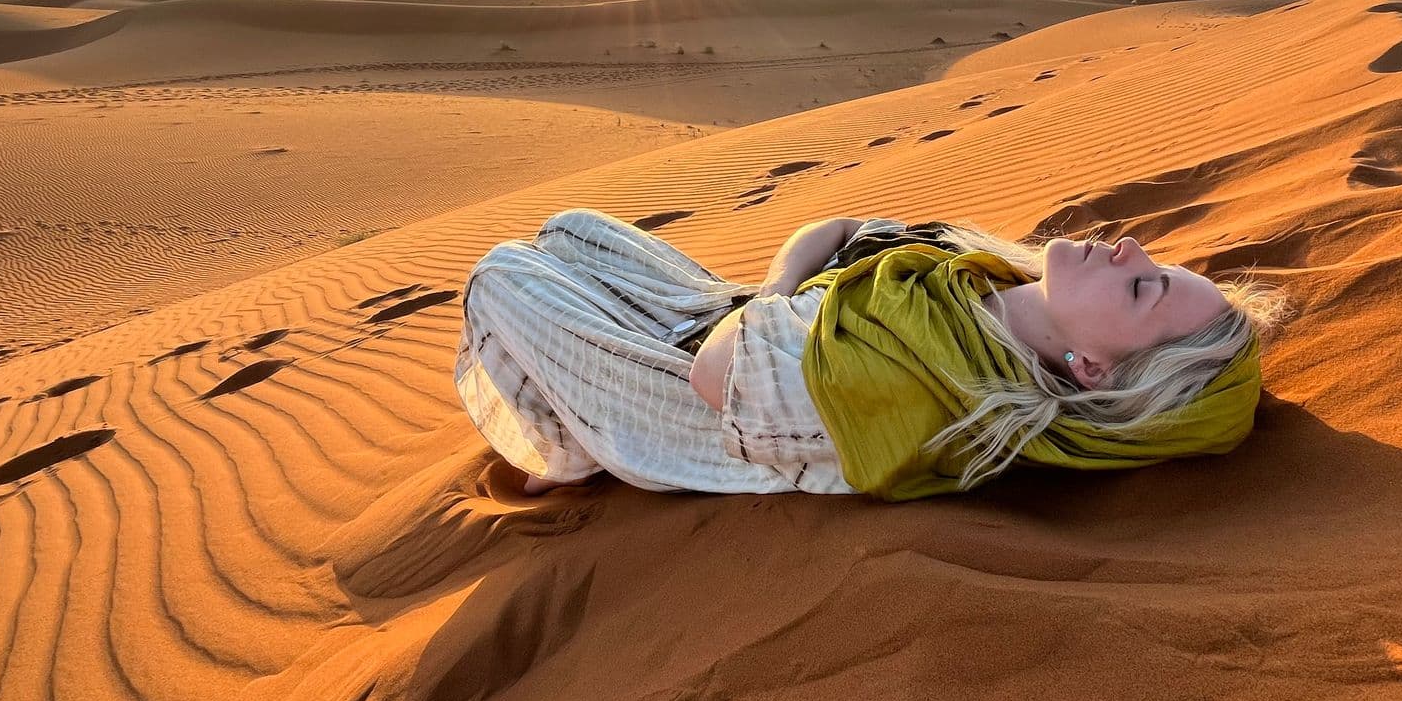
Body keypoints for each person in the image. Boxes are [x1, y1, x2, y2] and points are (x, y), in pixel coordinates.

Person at [453, 207, 1292, 503]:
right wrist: (778, 294)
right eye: (1158, 267)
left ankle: (576, 451)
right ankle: (566, 402)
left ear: (1093, 370)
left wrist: (784, 300)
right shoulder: (982, 273)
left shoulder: (930, 381)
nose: (1134, 249)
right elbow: (842, 231)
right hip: (733, 316)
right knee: (569, 229)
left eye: (1144, 290)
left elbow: (715, 379)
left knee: (500, 276)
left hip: (668, 400)